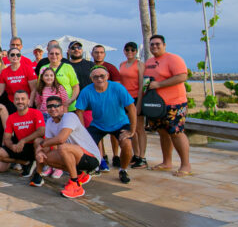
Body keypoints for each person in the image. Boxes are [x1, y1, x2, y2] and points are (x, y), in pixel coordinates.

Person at [75, 65, 136, 184]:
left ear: (107, 76)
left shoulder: (117, 88)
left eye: (102, 76)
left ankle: (123, 170)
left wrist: (132, 130)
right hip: (98, 124)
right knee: (83, 144)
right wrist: (83, 131)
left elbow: (131, 108)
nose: (99, 79)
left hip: (120, 123)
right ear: (91, 79)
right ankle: (93, 167)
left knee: (127, 144)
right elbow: (79, 111)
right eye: (95, 77)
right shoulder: (87, 91)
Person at [30, 96, 101, 199]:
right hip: (76, 156)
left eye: (56, 106)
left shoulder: (70, 117)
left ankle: (75, 184)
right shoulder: (50, 122)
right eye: (49, 106)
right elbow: (48, 144)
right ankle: (80, 174)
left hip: (91, 158)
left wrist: (41, 145)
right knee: (46, 157)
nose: (53, 108)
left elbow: (60, 139)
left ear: (62, 107)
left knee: (63, 147)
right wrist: (39, 152)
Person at [143, 34, 191, 176]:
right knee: (162, 132)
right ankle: (166, 162)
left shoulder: (173, 59)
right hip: (156, 104)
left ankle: (185, 165)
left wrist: (159, 84)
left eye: (157, 44)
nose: (154, 47)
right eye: (152, 44)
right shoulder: (150, 61)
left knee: (176, 132)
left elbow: (182, 76)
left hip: (175, 103)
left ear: (164, 45)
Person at [0, 90, 45, 177]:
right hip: (21, 147)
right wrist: (11, 146)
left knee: (38, 140)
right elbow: (7, 137)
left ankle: (38, 171)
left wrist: (23, 141)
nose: (20, 101)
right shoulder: (11, 117)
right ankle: (26, 163)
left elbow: (41, 131)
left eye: (23, 99)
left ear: (28, 101)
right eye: (17, 99)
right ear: (14, 101)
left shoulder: (36, 113)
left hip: (34, 147)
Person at [119, 41, 146, 169]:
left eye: (132, 50)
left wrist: (139, 103)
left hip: (135, 98)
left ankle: (142, 156)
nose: (130, 52)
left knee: (139, 128)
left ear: (136, 52)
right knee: (131, 129)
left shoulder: (140, 65)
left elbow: (142, 86)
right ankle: (135, 155)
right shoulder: (122, 65)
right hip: (125, 99)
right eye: (127, 50)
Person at [0, 48, 36, 115]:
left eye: (18, 54)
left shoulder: (28, 69)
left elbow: (34, 89)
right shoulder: (4, 72)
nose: (15, 56)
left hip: (26, 103)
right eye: (12, 55)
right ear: (8, 57)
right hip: (12, 103)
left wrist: (30, 101)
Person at [37, 45, 80, 111]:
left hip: (68, 106)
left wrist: (71, 100)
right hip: (47, 109)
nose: (54, 55)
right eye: (51, 53)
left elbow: (75, 86)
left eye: (57, 54)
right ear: (48, 55)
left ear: (61, 56)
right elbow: (40, 86)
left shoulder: (68, 67)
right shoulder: (43, 68)